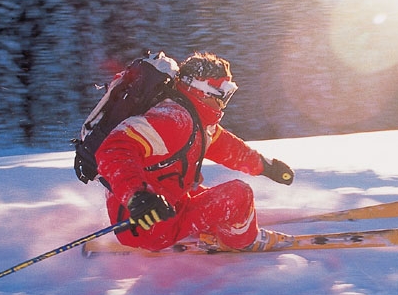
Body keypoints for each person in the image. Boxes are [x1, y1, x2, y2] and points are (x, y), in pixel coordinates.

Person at [95, 52, 295, 252]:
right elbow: (113, 149)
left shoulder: (194, 120)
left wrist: (267, 167)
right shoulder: (175, 120)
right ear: (202, 90)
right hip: (149, 223)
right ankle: (245, 240)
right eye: (223, 92)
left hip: (155, 207)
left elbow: (230, 149)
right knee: (240, 195)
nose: (224, 101)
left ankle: (211, 226)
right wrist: (137, 197)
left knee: (198, 189)